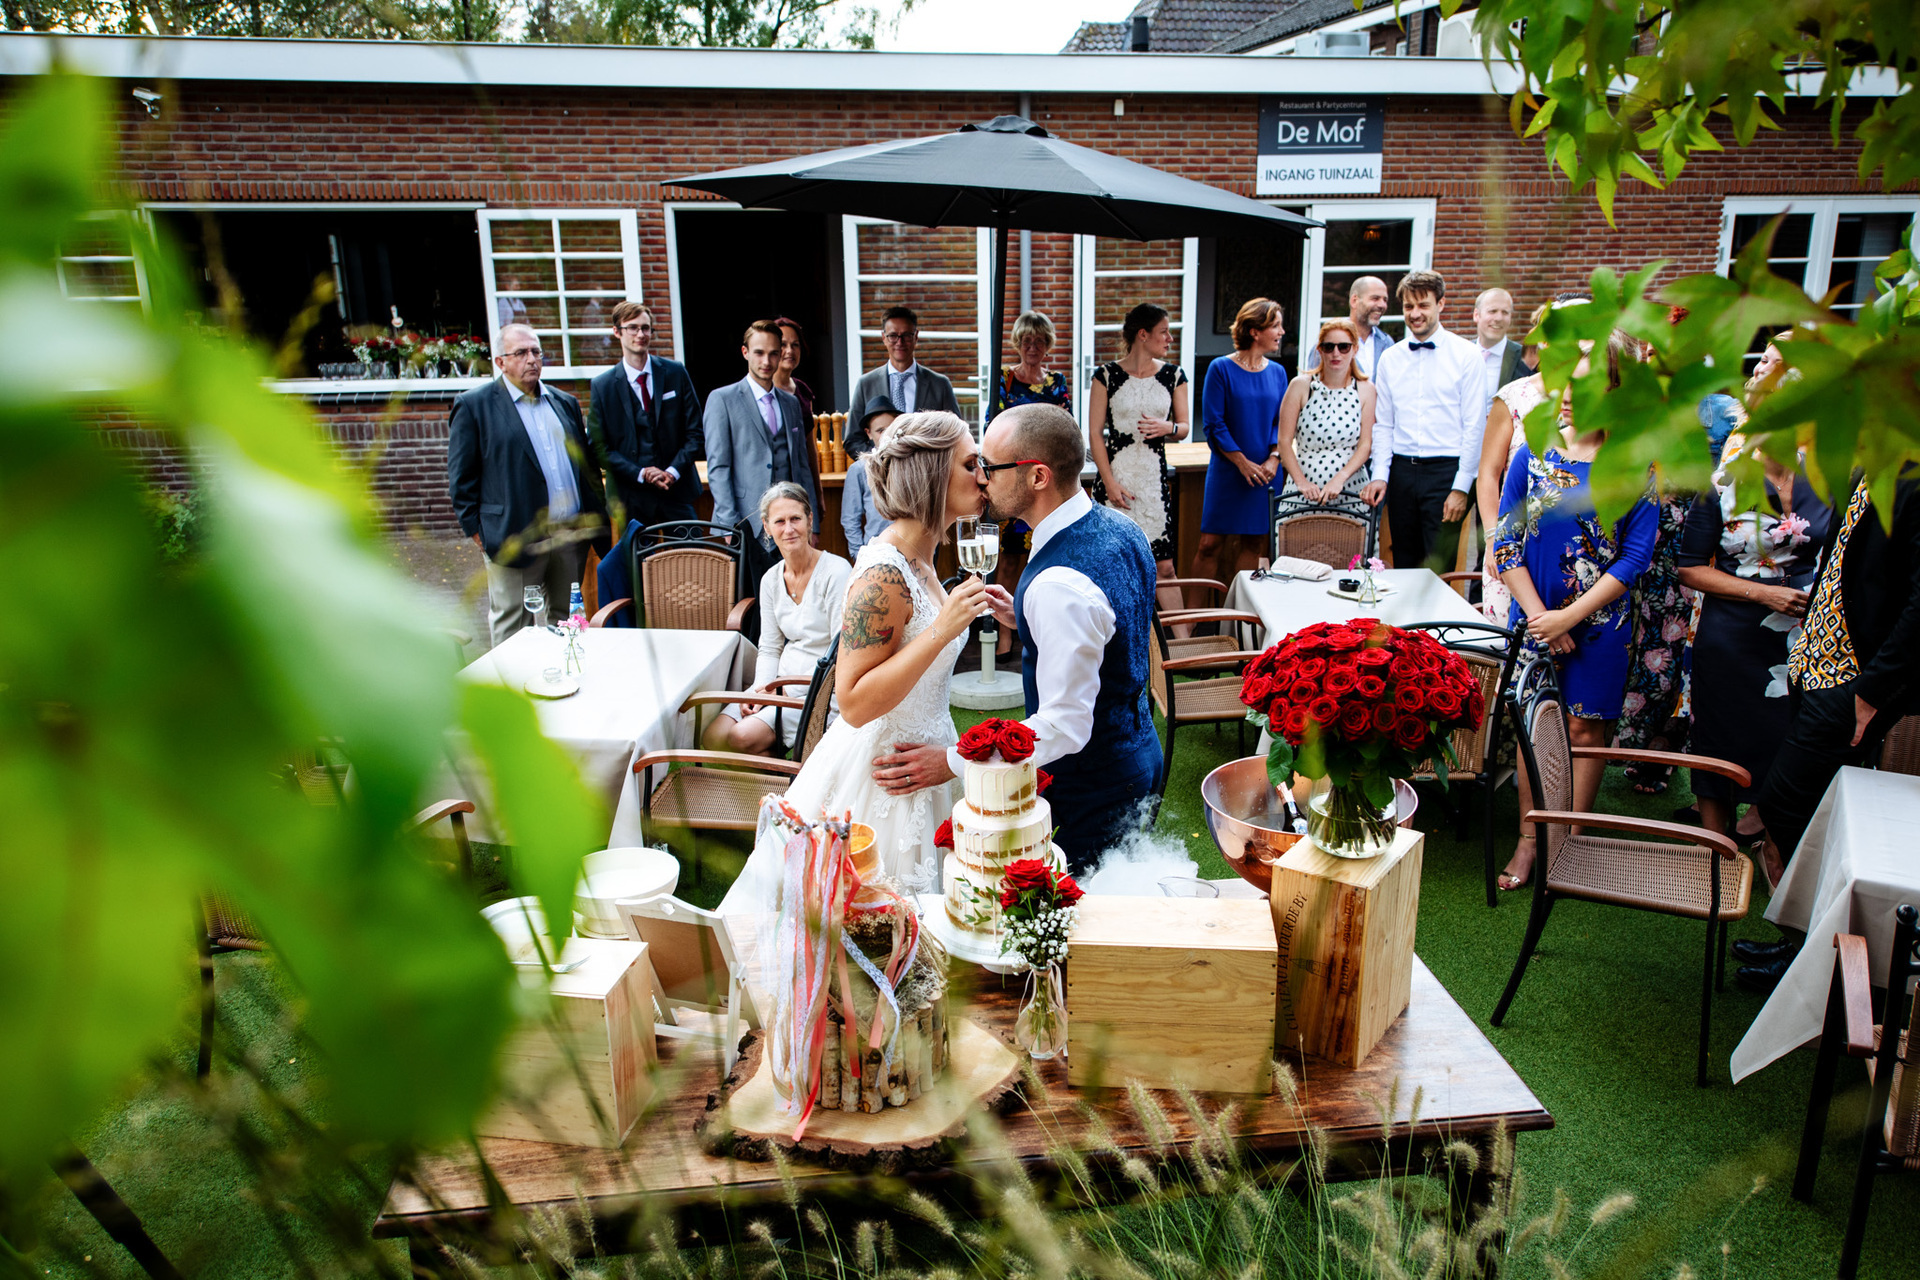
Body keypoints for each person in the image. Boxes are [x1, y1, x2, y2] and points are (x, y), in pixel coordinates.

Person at [716, 412, 995, 908]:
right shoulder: (882, 574)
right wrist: (941, 630)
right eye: (971, 463)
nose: (983, 475)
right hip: (883, 779)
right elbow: (854, 701)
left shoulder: (925, 557)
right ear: (933, 473)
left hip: (928, 760)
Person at [1489, 331, 1660, 890]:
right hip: (1533, 619)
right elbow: (1506, 541)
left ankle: (1568, 849)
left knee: (1585, 733)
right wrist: (1543, 618)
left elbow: (1635, 557)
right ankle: (1528, 843)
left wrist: (1571, 619)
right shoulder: (1533, 447)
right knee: (1534, 731)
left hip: (1603, 624)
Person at [970, 403, 1161, 873]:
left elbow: (1063, 725)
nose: (981, 478)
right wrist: (1027, 619)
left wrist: (959, 761)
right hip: (1141, 750)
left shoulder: (1057, 585)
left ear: (1037, 476)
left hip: (1094, 782)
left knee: (1084, 927)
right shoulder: (1122, 526)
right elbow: (1112, 627)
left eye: (990, 467)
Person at [1751, 465, 1920, 905]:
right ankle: (1802, 948)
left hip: (1855, 678)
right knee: (1813, 810)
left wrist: (1873, 690)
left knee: (1781, 804)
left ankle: (1814, 948)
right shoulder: (1867, 465)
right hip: (1814, 661)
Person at [1676, 444, 1829, 852]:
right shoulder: (1723, 482)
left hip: (1803, 635)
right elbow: (1689, 567)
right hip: (1732, 632)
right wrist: (1762, 594)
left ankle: (1766, 827)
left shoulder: (1829, 478)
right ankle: (1713, 845)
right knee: (1719, 731)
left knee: (1787, 733)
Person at [448, 322, 610, 647]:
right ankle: (512, 691)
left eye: (536, 351)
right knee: (514, 626)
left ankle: (565, 686)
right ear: (500, 362)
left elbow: (585, 467)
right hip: (515, 536)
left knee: (566, 622)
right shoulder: (475, 406)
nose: (532, 359)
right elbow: (461, 478)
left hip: (569, 536)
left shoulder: (563, 402)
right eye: (520, 352)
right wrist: (479, 533)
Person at [704, 483, 852, 757]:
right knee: (713, 736)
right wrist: (761, 691)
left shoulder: (836, 571)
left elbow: (840, 654)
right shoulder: (770, 579)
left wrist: (780, 691)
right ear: (767, 526)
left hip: (820, 691)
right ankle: (783, 782)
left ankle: (782, 781)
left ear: (810, 520)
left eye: (796, 518)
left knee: (739, 738)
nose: (789, 529)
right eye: (779, 521)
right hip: (777, 683)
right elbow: (770, 647)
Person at [1476, 293, 1589, 625]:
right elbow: (1488, 474)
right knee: (1509, 645)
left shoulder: (1599, 399)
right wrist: (1494, 536)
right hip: (1512, 540)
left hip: (1572, 546)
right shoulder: (1515, 396)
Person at [1365, 269, 1488, 571]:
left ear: (1441, 304)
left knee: (1439, 569)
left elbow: (1475, 425)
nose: (1415, 314)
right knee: (1404, 562)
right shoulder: (1391, 358)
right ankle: (1407, 621)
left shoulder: (1467, 355)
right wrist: (1380, 474)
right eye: (1409, 307)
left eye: (1423, 305)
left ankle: (1436, 621)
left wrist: (1461, 487)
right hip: (1402, 473)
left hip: (1445, 473)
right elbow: (1384, 424)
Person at [1089, 302, 1190, 622]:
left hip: (1152, 481)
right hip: (1115, 478)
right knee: (1113, 564)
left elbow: (1185, 427)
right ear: (1143, 335)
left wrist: (1169, 428)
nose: (1170, 339)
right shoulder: (1106, 376)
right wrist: (1109, 483)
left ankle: (1181, 648)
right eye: (1164, 332)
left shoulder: (1174, 376)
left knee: (1165, 566)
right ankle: (1114, 642)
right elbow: (1094, 433)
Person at [705, 320, 823, 587]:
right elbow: (719, 467)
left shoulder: (791, 403)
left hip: (790, 525)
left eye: (773, 353)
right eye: (759, 353)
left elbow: (802, 467)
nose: (766, 361)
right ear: (745, 352)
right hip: (746, 524)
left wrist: (811, 522)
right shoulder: (722, 399)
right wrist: (730, 526)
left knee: (793, 595)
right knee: (748, 603)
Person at [1192, 298, 1288, 586]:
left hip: (1266, 472)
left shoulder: (1278, 372)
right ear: (1254, 331)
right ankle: (1191, 624)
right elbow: (1214, 423)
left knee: (1254, 544)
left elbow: (1280, 422)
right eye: (1276, 325)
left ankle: (1239, 621)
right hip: (1228, 470)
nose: (1282, 332)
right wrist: (1242, 463)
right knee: (1209, 544)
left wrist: (1274, 458)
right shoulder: (1220, 368)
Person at [586, 301, 703, 530]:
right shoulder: (603, 386)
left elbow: (695, 432)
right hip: (630, 497)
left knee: (692, 558)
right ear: (617, 332)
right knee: (637, 564)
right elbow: (599, 447)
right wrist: (640, 473)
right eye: (633, 328)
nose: (641, 334)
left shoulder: (675, 372)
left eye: (646, 328)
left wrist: (672, 471)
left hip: (675, 491)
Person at [1274, 316, 1375, 506]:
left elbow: (1365, 444)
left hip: (1350, 490)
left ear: (1354, 349)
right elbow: (1284, 441)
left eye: (1343, 347)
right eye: (1329, 347)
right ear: (1320, 350)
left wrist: (1340, 479)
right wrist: (1301, 483)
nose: (1336, 353)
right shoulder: (1300, 386)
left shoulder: (1366, 390)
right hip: (1302, 491)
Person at [843, 306, 961, 457]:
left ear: (916, 336)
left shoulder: (940, 385)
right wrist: (880, 461)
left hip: (928, 474)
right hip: (882, 475)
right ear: (883, 337)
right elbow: (853, 440)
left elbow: (956, 434)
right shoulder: (866, 384)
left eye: (906, 335)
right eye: (893, 336)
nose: (900, 342)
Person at [840, 396, 898, 560]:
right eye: (880, 431)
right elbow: (850, 519)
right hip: (875, 552)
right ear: (869, 433)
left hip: (909, 549)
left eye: (890, 429)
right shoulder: (859, 470)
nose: (886, 435)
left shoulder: (910, 466)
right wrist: (859, 555)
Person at [1305, 275, 1396, 378]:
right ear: (1354, 301)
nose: (1382, 305)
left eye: (1385, 300)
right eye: (1375, 298)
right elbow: (1313, 385)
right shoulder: (1329, 343)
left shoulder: (1387, 343)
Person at [1472, 287, 1528, 400]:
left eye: (1505, 312)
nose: (1498, 318)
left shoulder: (1524, 359)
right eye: (1492, 311)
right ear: (1476, 315)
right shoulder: (1459, 354)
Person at [773, 316, 815, 423]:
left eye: (795, 345)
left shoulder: (803, 390)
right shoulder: (764, 392)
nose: (790, 351)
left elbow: (810, 436)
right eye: (783, 344)